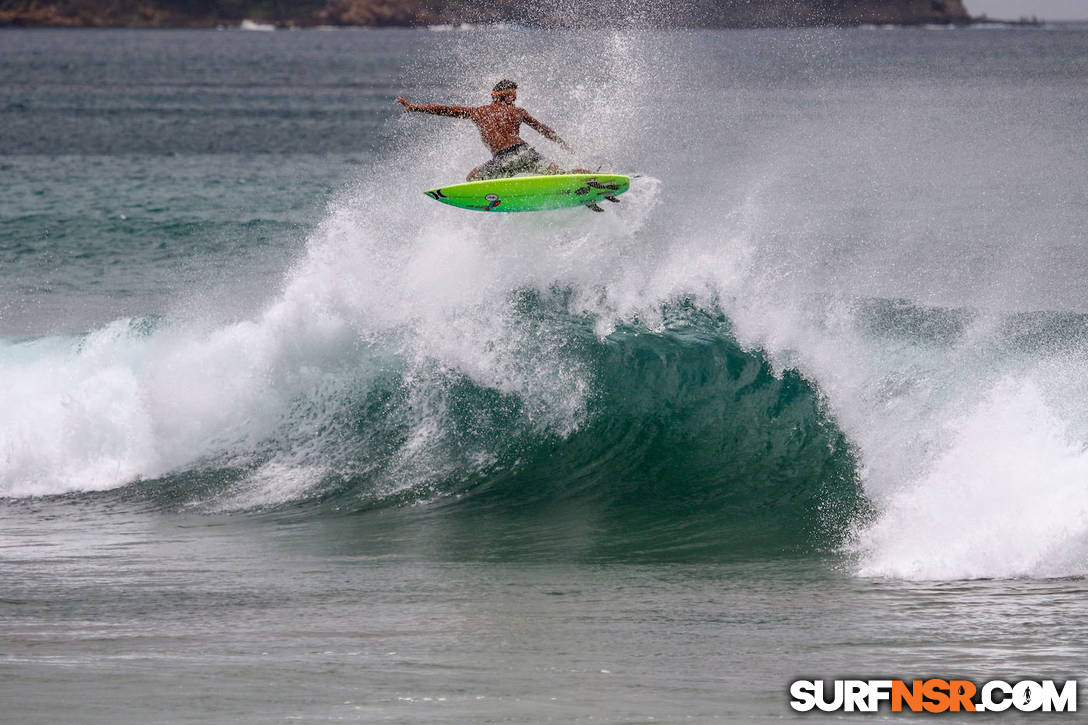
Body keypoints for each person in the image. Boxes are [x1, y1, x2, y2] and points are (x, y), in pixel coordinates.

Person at [395, 80, 587, 181]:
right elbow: (545, 130)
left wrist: (415, 107)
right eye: (513, 96)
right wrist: (564, 145)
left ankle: (505, 199)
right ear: (506, 96)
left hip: (504, 159)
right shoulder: (518, 112)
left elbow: (446, 110)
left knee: (473, 178)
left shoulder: (479, 112)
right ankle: (588, 178)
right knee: (562, 175)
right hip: (526, 152)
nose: (515, 100)